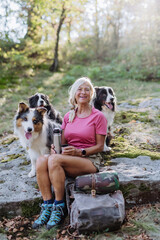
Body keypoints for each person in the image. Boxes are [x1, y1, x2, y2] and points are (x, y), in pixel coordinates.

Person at [32, 77, 107, 230]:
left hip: (90, 159)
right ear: (74, 94)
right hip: (68, 158)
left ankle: (60, 207)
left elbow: (100, 146)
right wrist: (55, 148)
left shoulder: (98, 116)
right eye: (80, 89)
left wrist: (80, 151)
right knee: (41, 160)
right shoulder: (68, 116)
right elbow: (63, 141)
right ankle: (47, 206)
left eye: (87, 89)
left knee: (54, 161)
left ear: (91, 94)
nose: (83, 92)